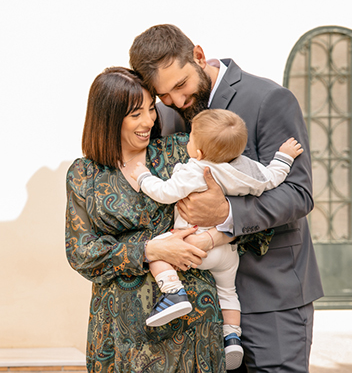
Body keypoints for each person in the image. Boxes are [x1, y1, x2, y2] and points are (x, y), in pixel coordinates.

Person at [129, 24, 323, 373]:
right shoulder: (166, 114)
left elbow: (299, 194)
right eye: (164, 95)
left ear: (199, 56)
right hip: (201, 309)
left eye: (181, 85)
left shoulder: (269, 99)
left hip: (272, 296)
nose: (177, 102)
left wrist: (226, 212)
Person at [66, 66, 269, 372]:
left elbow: (250, 214)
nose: (149, 120)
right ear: (109, 118)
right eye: (136, 114)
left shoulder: (183, 152)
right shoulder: (84, 175)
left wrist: (213, 235)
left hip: (195, 330)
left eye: (151, 109)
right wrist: (151, 250)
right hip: (122, 337)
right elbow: (81, 253)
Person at [130, 108, 304, 370]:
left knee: (158, 252)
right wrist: (284, 157)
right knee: (228, 292)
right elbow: (272, 178)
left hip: (193, 243)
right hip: (226, 250)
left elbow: (164, 192)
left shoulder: (196, 170)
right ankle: (232, 336)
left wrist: (143, 176)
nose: (187, 141)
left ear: (199, 152)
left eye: (191, 139)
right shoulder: (246, 168)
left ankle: (173, 293)